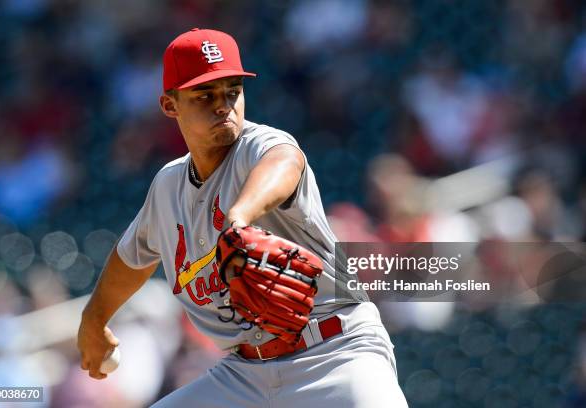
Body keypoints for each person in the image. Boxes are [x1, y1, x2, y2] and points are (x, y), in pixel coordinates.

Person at [77, 28, 408, 407]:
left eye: (232, 91)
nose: (223, 105)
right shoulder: (168, 187)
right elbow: (131, 258)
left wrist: (241, 217)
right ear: (170, 105)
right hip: (243, 376)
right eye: (204, 96)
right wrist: (94, 319)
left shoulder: (260, 146)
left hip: (337, 353)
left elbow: (286, 162)